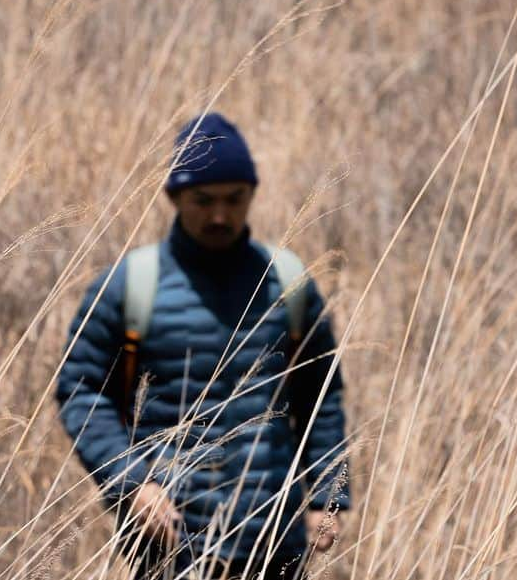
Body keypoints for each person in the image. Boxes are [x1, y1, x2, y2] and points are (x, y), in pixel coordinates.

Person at [56, 113, 350, 579]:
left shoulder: (289, 283)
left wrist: (328, 499)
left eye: (234, 199)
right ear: (174, 197)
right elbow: (81, 392)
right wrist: (133, 484)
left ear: (252, 194)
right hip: (169, 539)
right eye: (203, 200)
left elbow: (322, 396)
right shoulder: (131, 285)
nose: (219, 215)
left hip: (274, 536)